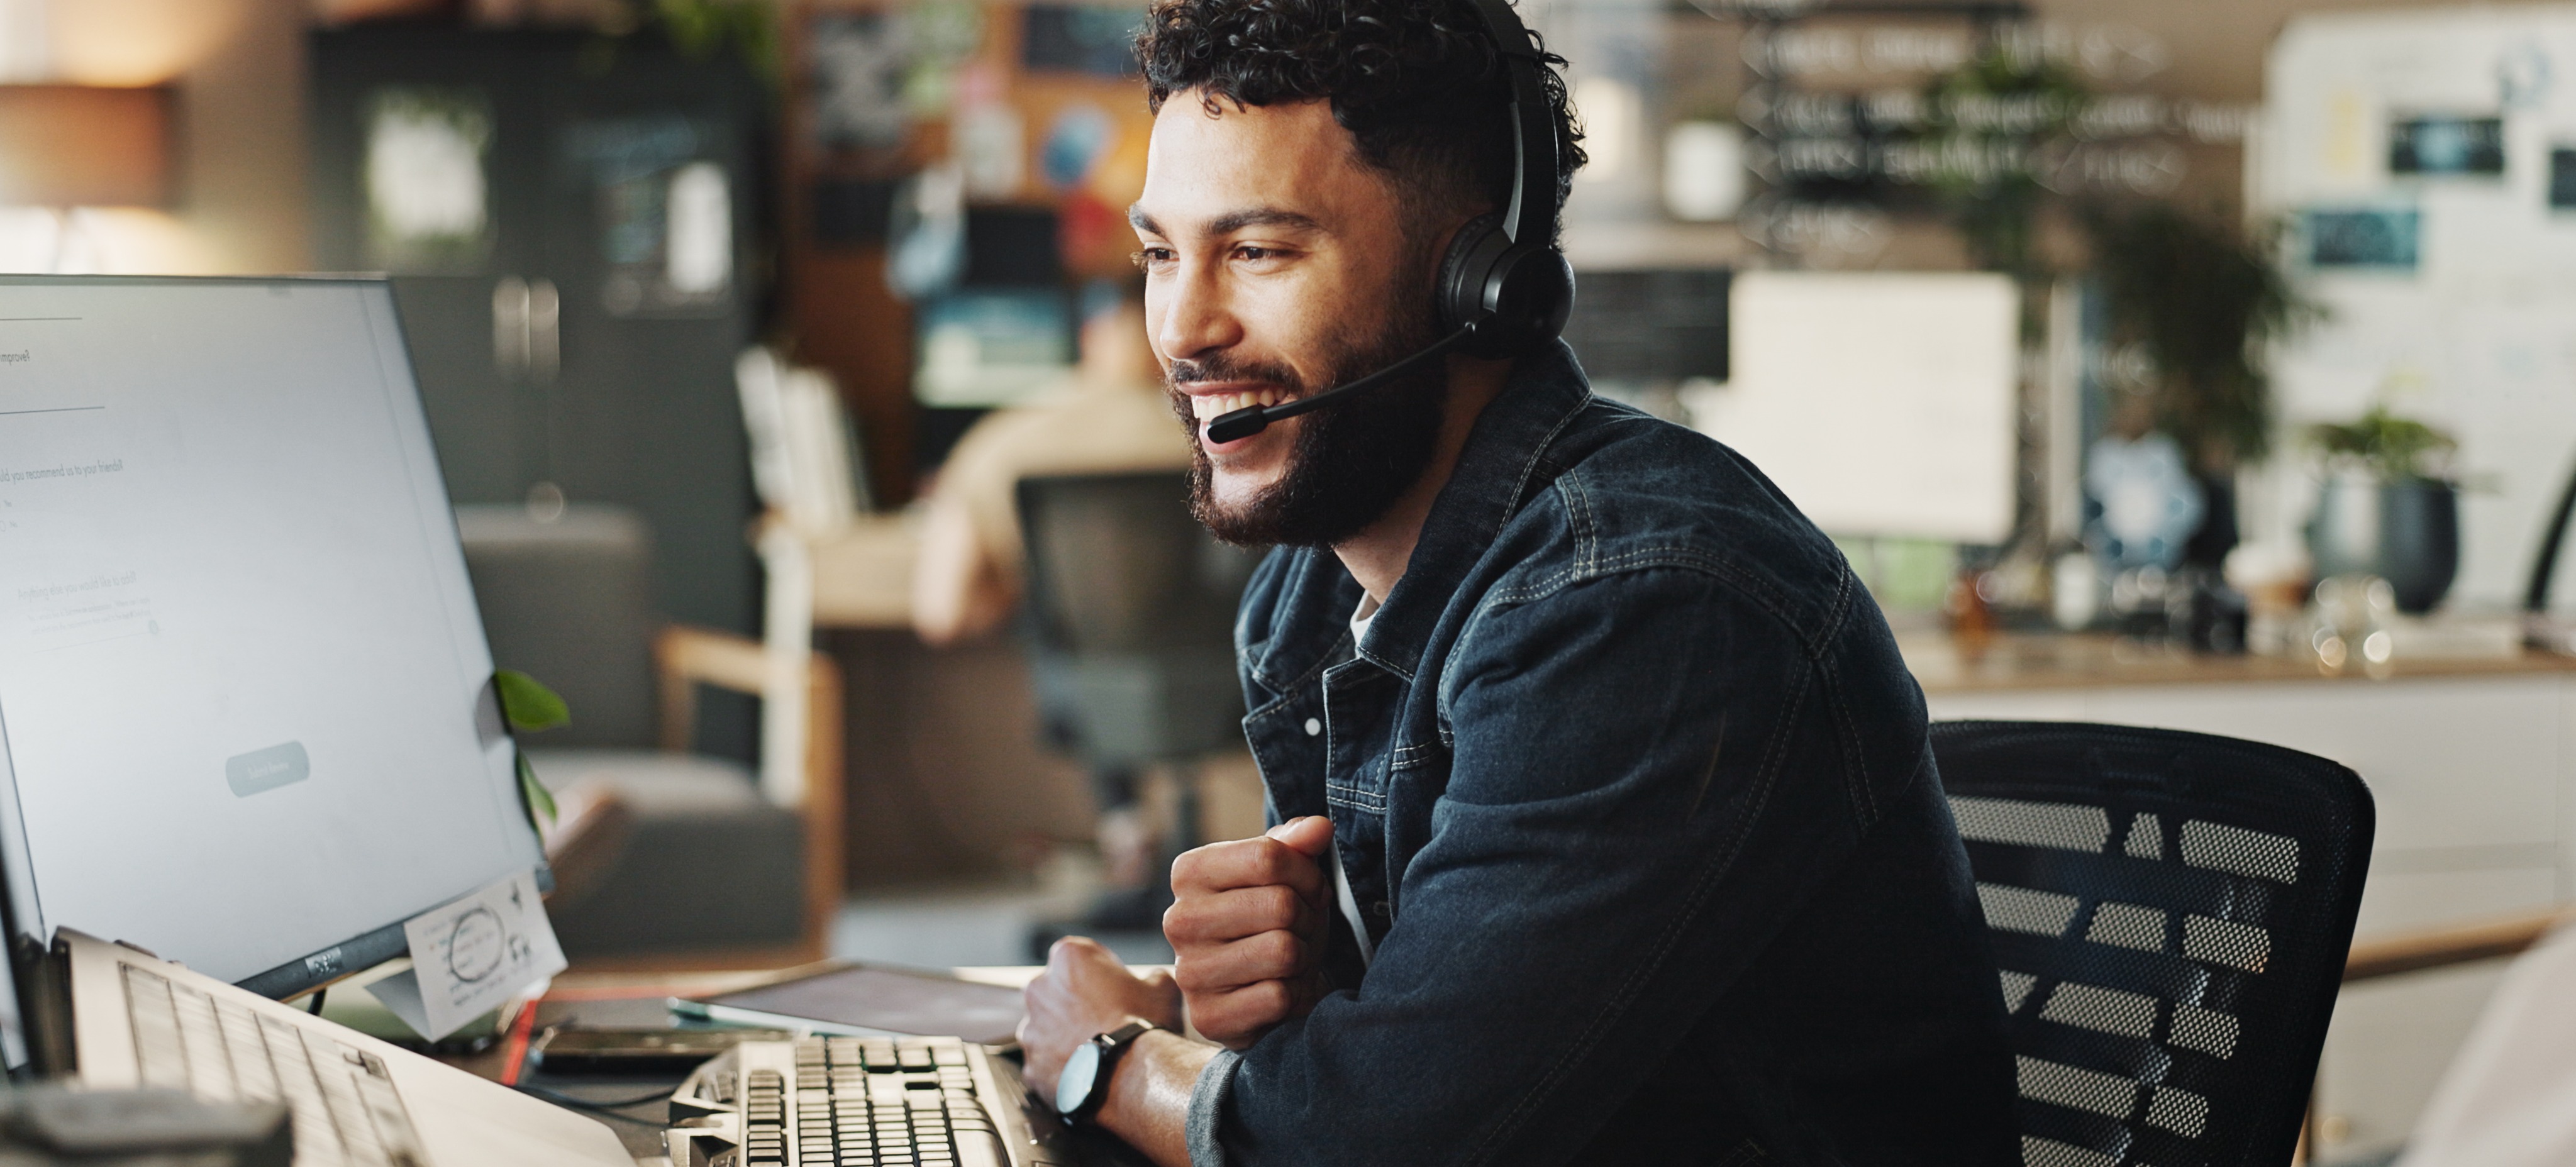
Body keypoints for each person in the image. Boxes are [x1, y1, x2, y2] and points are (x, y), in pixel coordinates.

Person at [1015, 1, 2021, 1163]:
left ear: (1478, 289)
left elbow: (1381, 1145)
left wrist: (1115, 1062)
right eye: (1159, 253)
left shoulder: (1643, 605)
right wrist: (1288, 996)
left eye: (1257, 251)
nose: (1183, 328)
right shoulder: (1305, 596)